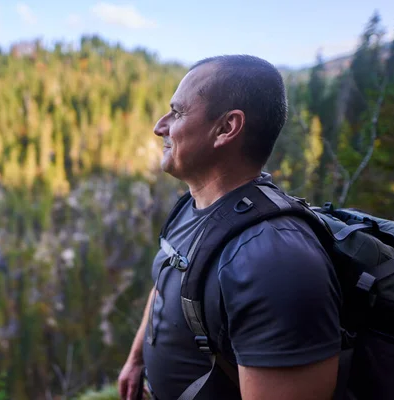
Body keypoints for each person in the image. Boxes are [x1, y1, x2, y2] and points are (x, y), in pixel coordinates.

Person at [117, 55, 343, 400]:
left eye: (177, 112)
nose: (160, 126)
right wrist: (136, 360)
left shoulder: (274, 261)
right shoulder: (192, 207)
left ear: (226, 128)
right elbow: (167, 281)